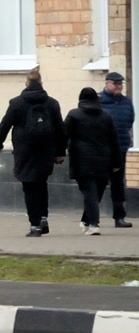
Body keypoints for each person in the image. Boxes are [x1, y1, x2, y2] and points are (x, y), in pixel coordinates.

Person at [0, 67, 67, 237]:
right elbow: (61, 129)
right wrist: (60, 151)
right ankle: (43, 218)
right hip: (46, 151)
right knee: (41, 184)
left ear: (26, 83)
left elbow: (5, 124)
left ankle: (35, 225)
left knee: (29, 186)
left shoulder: (17, 103)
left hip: (25, 151)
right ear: (41, 83)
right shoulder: (52, 103)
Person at [65, 87, 124, 235]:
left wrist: (58, 153)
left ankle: (94, 224)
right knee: (95, 193)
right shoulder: (106, 116)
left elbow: (63, 135)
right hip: (104, 160)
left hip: (81, 160)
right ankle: (87, 221)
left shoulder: (74, 115)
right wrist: (117, 162)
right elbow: (114, 140)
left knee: (90, 192)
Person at [99, 71, 134, 228]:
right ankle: (90, 217)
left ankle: (119, 217)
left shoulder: (126, 102)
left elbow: (129, 120)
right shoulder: (99, 102)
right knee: (99, 182)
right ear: (107, 83)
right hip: (102, 149)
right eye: (115, 83)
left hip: (120, 147)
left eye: (120, 84)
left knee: (118, 183)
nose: (119, 86)